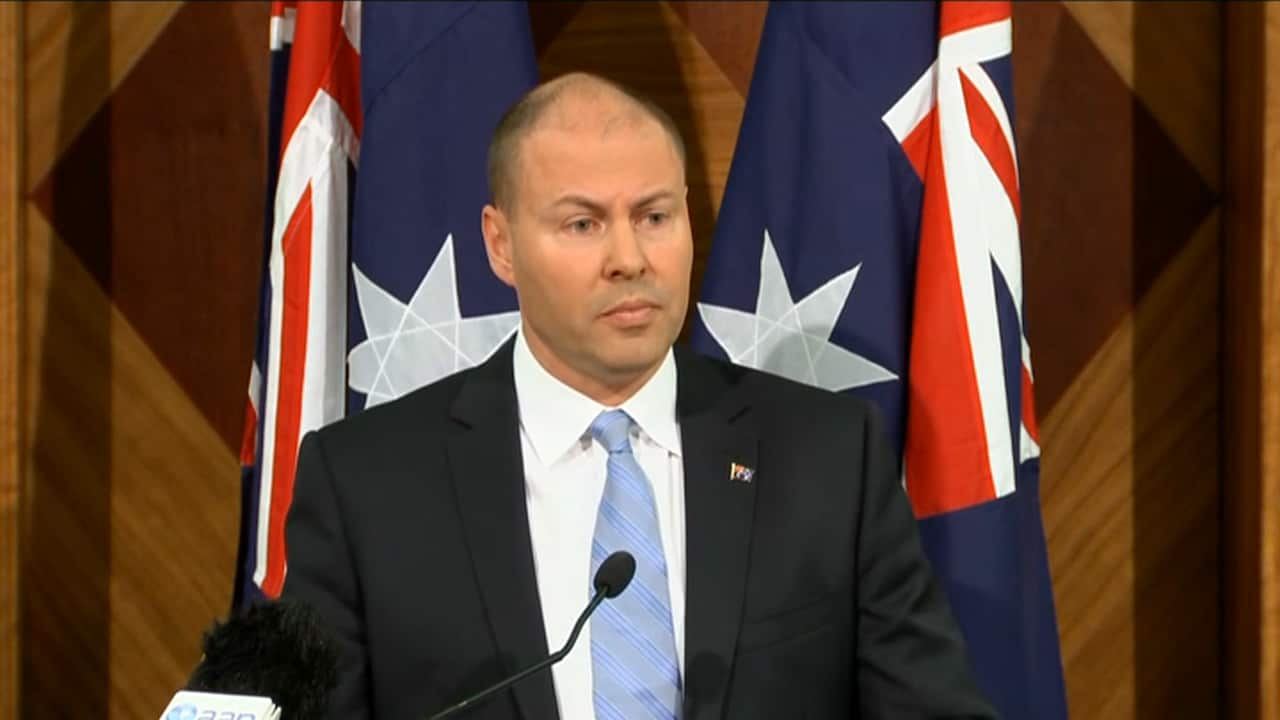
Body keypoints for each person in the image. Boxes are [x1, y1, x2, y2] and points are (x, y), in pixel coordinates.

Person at [281, 72, 996, 719]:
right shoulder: (365, 487)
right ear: (501, 246)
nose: (630, 259)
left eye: (655, 216)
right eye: (582, 224)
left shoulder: (830, 458)